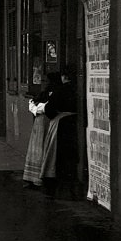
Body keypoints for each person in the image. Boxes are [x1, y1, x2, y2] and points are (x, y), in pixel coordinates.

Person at [41, 69, 78, 197]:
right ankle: (73, 189)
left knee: (55, 156)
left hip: (61, 125)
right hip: (76, 124)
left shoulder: (60, 90)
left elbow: (49, 109)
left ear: (64, 77)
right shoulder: (78, 89)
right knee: (73, 158)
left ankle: (55, 189)